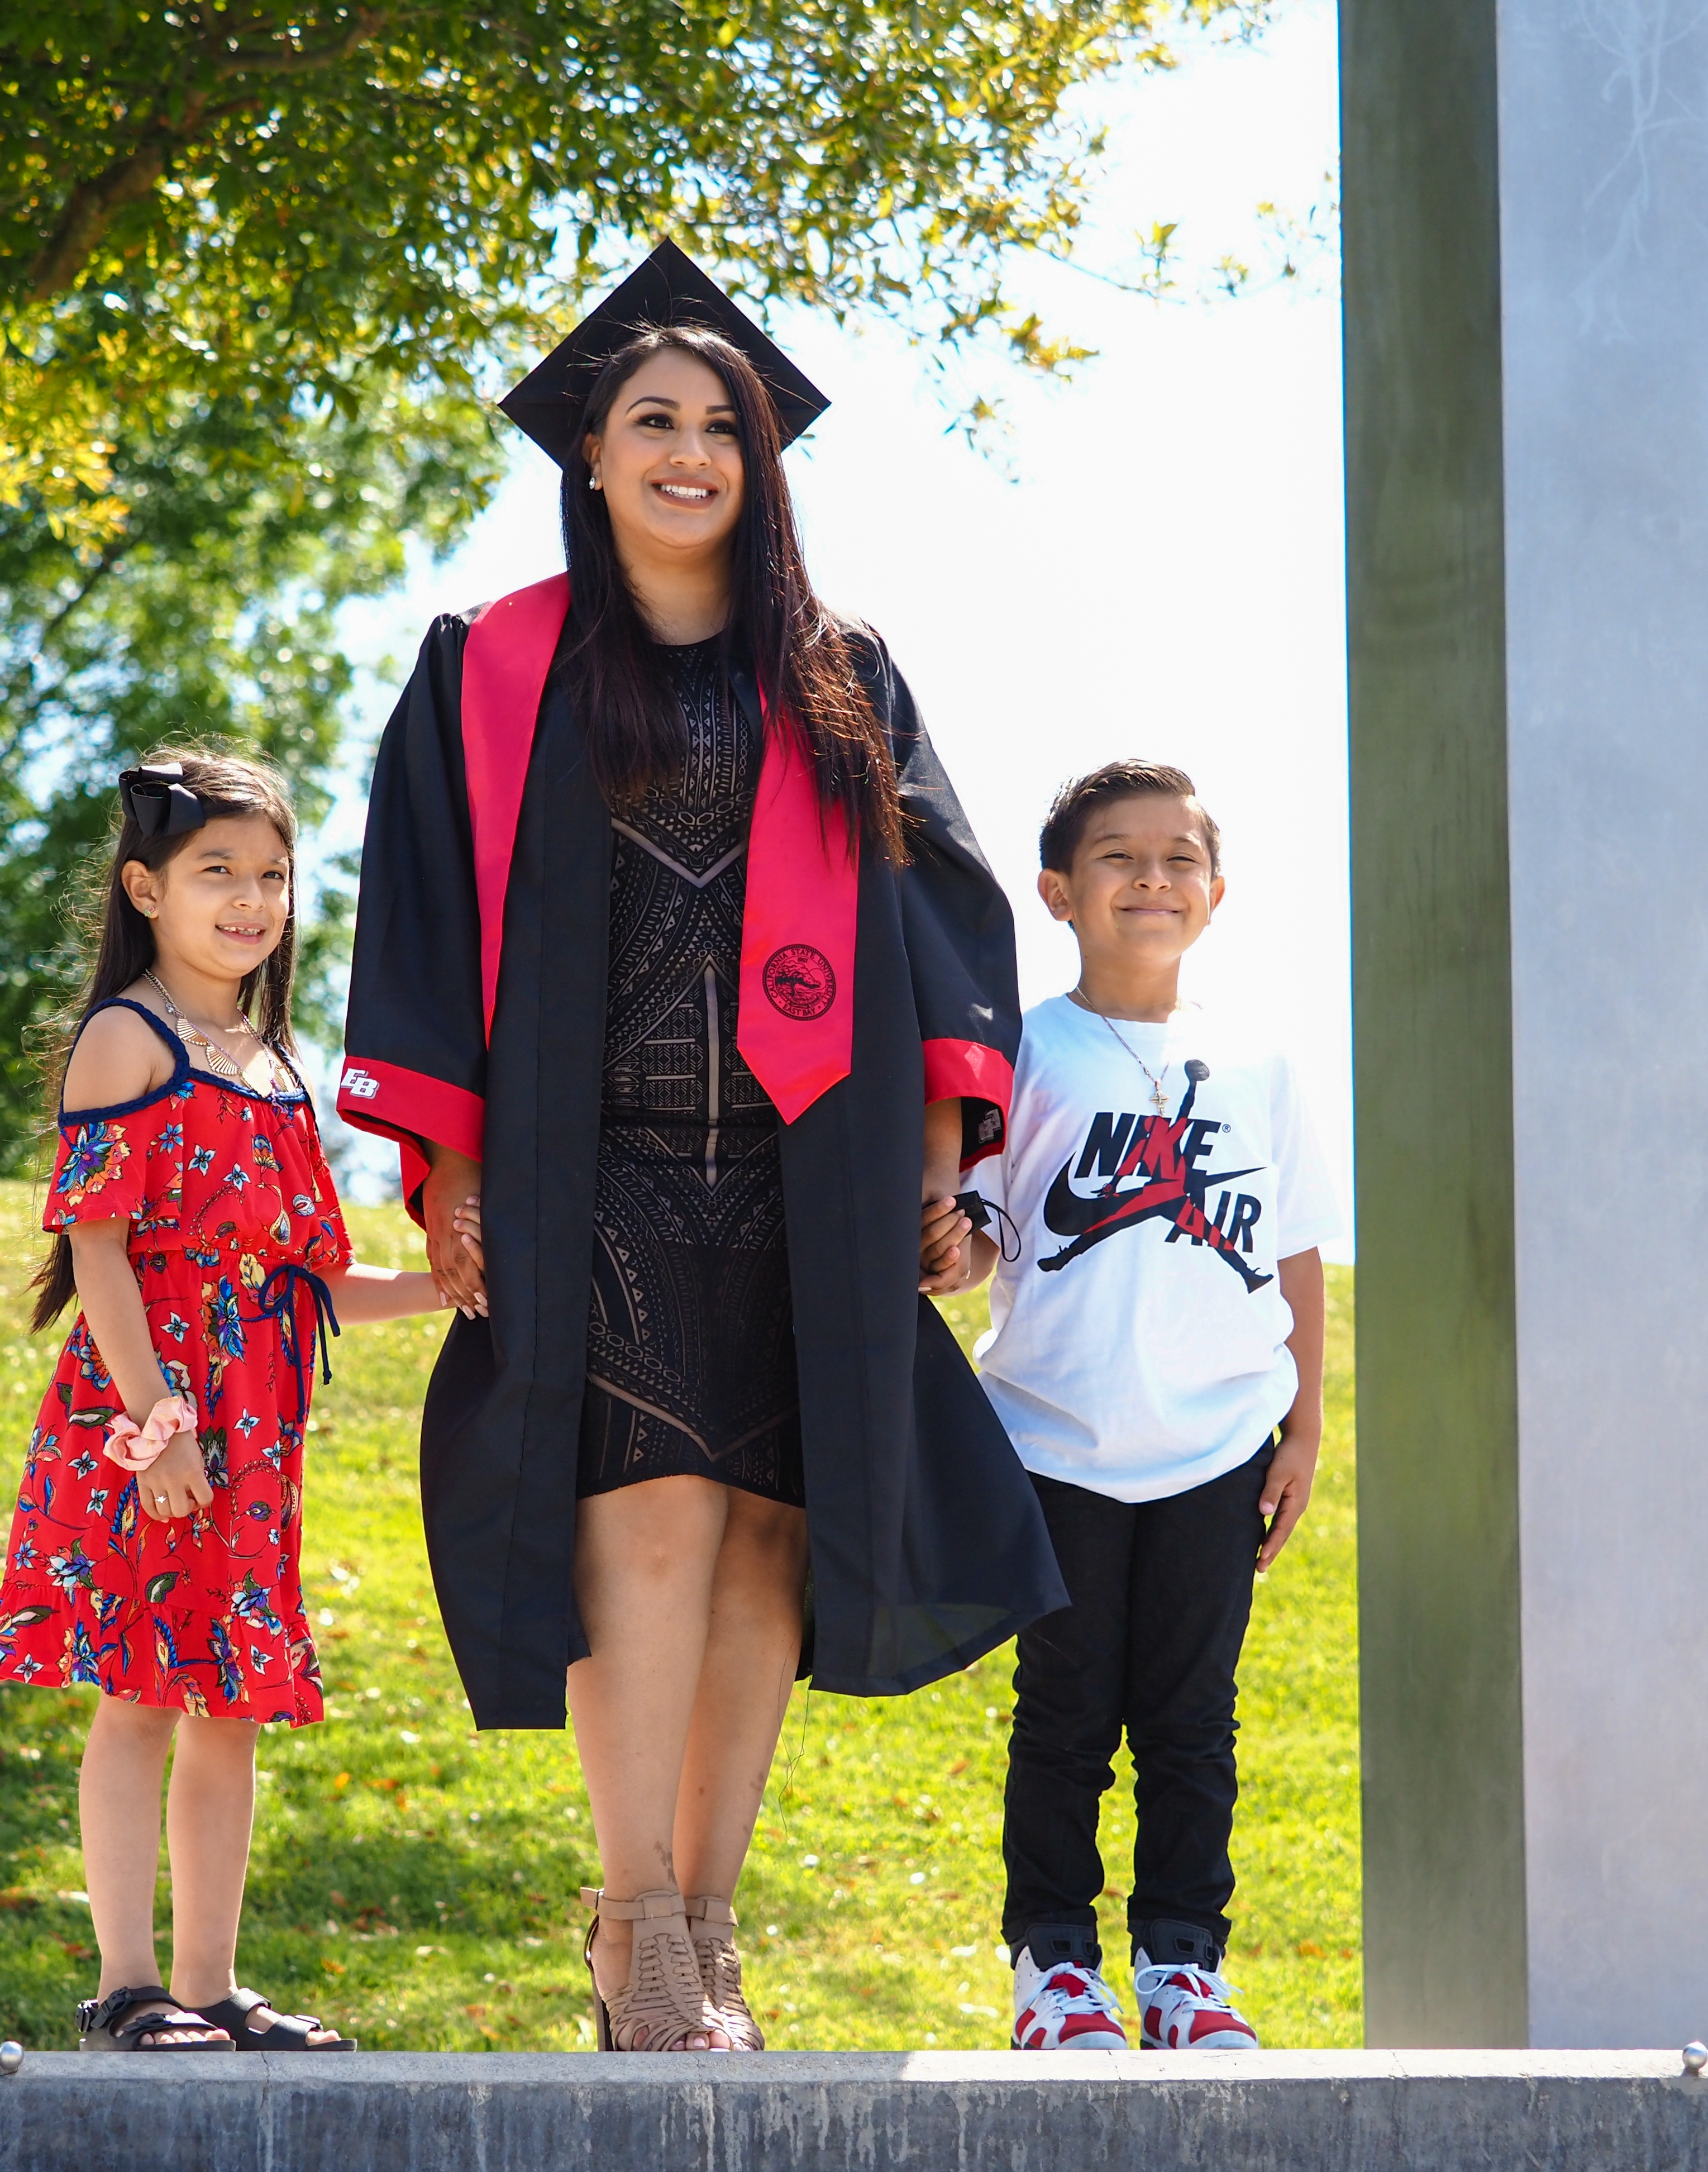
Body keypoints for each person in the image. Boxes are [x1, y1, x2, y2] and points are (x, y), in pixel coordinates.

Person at [340, 242, 1065, 2054]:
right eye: (647, 421)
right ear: (588, 454)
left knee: (761, 1540)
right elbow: (424, 916)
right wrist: (450, 1168)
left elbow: (941, 916)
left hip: (799, 1166)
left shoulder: (835, 675)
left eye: (716, 429)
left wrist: (937, 1147)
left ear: (758, 466)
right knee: (642, 1522)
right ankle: (633, 1915)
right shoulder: (494, 666)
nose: (684, 453)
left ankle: (710, 1918)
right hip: (592, 1168)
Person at [0, 749, 454, 2056]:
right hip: (152, 1428)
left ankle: (210, 1987)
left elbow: (311, 1285)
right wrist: (161, 1427)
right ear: (145, 888)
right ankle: (126, 1986)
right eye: (215, 873)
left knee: (230, 1704)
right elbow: (100, 1251)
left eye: (270, 877)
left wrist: (446, 1287)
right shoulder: (126, 1038)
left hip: (255, 1431)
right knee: (137, 1692)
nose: (249, 900)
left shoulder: (275, 1064)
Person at [936, 760, 1342, 2054]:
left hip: (1219, 1443)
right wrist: (949, 1246)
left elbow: (1296, 1250)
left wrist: (1310, 1423)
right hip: (1057, 1439)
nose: (1151, 878)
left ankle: (1183, 1967)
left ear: (1216, 894)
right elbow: (986, 1231)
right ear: (1057, 891)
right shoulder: (1024, 1048)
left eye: (1178, 859)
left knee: (1190, 1719)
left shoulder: (1262, 1057)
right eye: (1117, 857)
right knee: (1064, 1715)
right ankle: (1054, 1968)